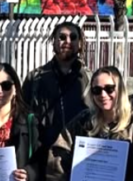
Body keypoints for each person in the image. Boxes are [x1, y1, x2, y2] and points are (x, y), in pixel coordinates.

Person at [21, 22, 90, 151]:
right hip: (43, 157)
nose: (67, 41)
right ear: (53, 42)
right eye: (62, 37)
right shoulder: (35, 79)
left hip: (79, 156)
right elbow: (22, 118)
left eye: (73, 37)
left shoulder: (91, 81)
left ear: (80, 43)